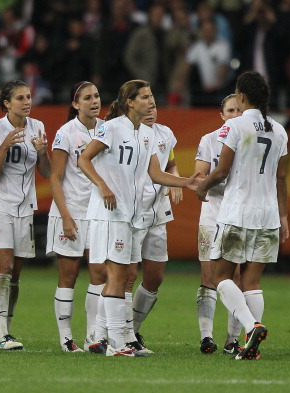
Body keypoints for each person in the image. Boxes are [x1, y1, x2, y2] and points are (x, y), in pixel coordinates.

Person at [78, 79, 200, 357]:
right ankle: (115, 343)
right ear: (130, 102)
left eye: (151, 95)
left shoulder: (146, 135)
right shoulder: (111, 128)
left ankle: (121, 340)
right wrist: (102, 185)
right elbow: (84, 159)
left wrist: (186, 183)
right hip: (110, 215)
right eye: (144, 96)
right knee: (118, 277)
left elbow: (155, 174)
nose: (150, 100)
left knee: (125, 276)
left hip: (132, 217)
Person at [197, 71, 289, 360]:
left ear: (242, 96)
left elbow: (222, 170)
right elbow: (281, 177)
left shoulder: (235, 126)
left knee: (219, 275)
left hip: (237, 212)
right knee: (252, 281)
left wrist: (203, 186)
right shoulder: (280, 130)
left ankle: (252, 327)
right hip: (269, 215)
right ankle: (252, 346)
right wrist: (284, 217)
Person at [0, 79, 50, 350]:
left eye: (29, 96)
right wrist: (5, 145)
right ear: (7, 103)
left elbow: (45, 171)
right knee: (5, 267)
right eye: (20, 98)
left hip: (24, 207)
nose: (27, 102)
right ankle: (0, 336)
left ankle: (7, 330)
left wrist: (43, 153)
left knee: (16, 273)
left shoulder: (38, 127)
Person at [46, 81, 105, 353]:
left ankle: (93, 335)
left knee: (99, 273)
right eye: (87, 98)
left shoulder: (107, 129)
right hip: (70, 211)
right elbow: (55, 178)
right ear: (75, 104)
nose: (94, 101)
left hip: (97, 212)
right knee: (68, 275)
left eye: (96, 96)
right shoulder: (66, 133)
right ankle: (66, 338)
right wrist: (66, 217)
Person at [126, 106, 183, 353]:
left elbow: (170, 163)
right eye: (144, 103)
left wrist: (177, 178)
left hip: (158, 211)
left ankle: (133, 330)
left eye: (153, 104)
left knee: (155, 277)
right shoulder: (123, 132)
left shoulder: (165, 133)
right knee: (126, 276)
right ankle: (120, 333)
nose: (150, 109)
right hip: (131, 212)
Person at [195, 94, 243, 355]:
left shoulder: (250, 141)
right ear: (222, 115)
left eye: (239, 109)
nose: (235, 114)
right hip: (212, 215)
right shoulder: (210, 140)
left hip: (238, 217)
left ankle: (232, 339)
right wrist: (216, 181)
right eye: (230, 110)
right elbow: (200, 174)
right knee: (208, 276)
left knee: (235, 278)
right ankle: (206, 337)